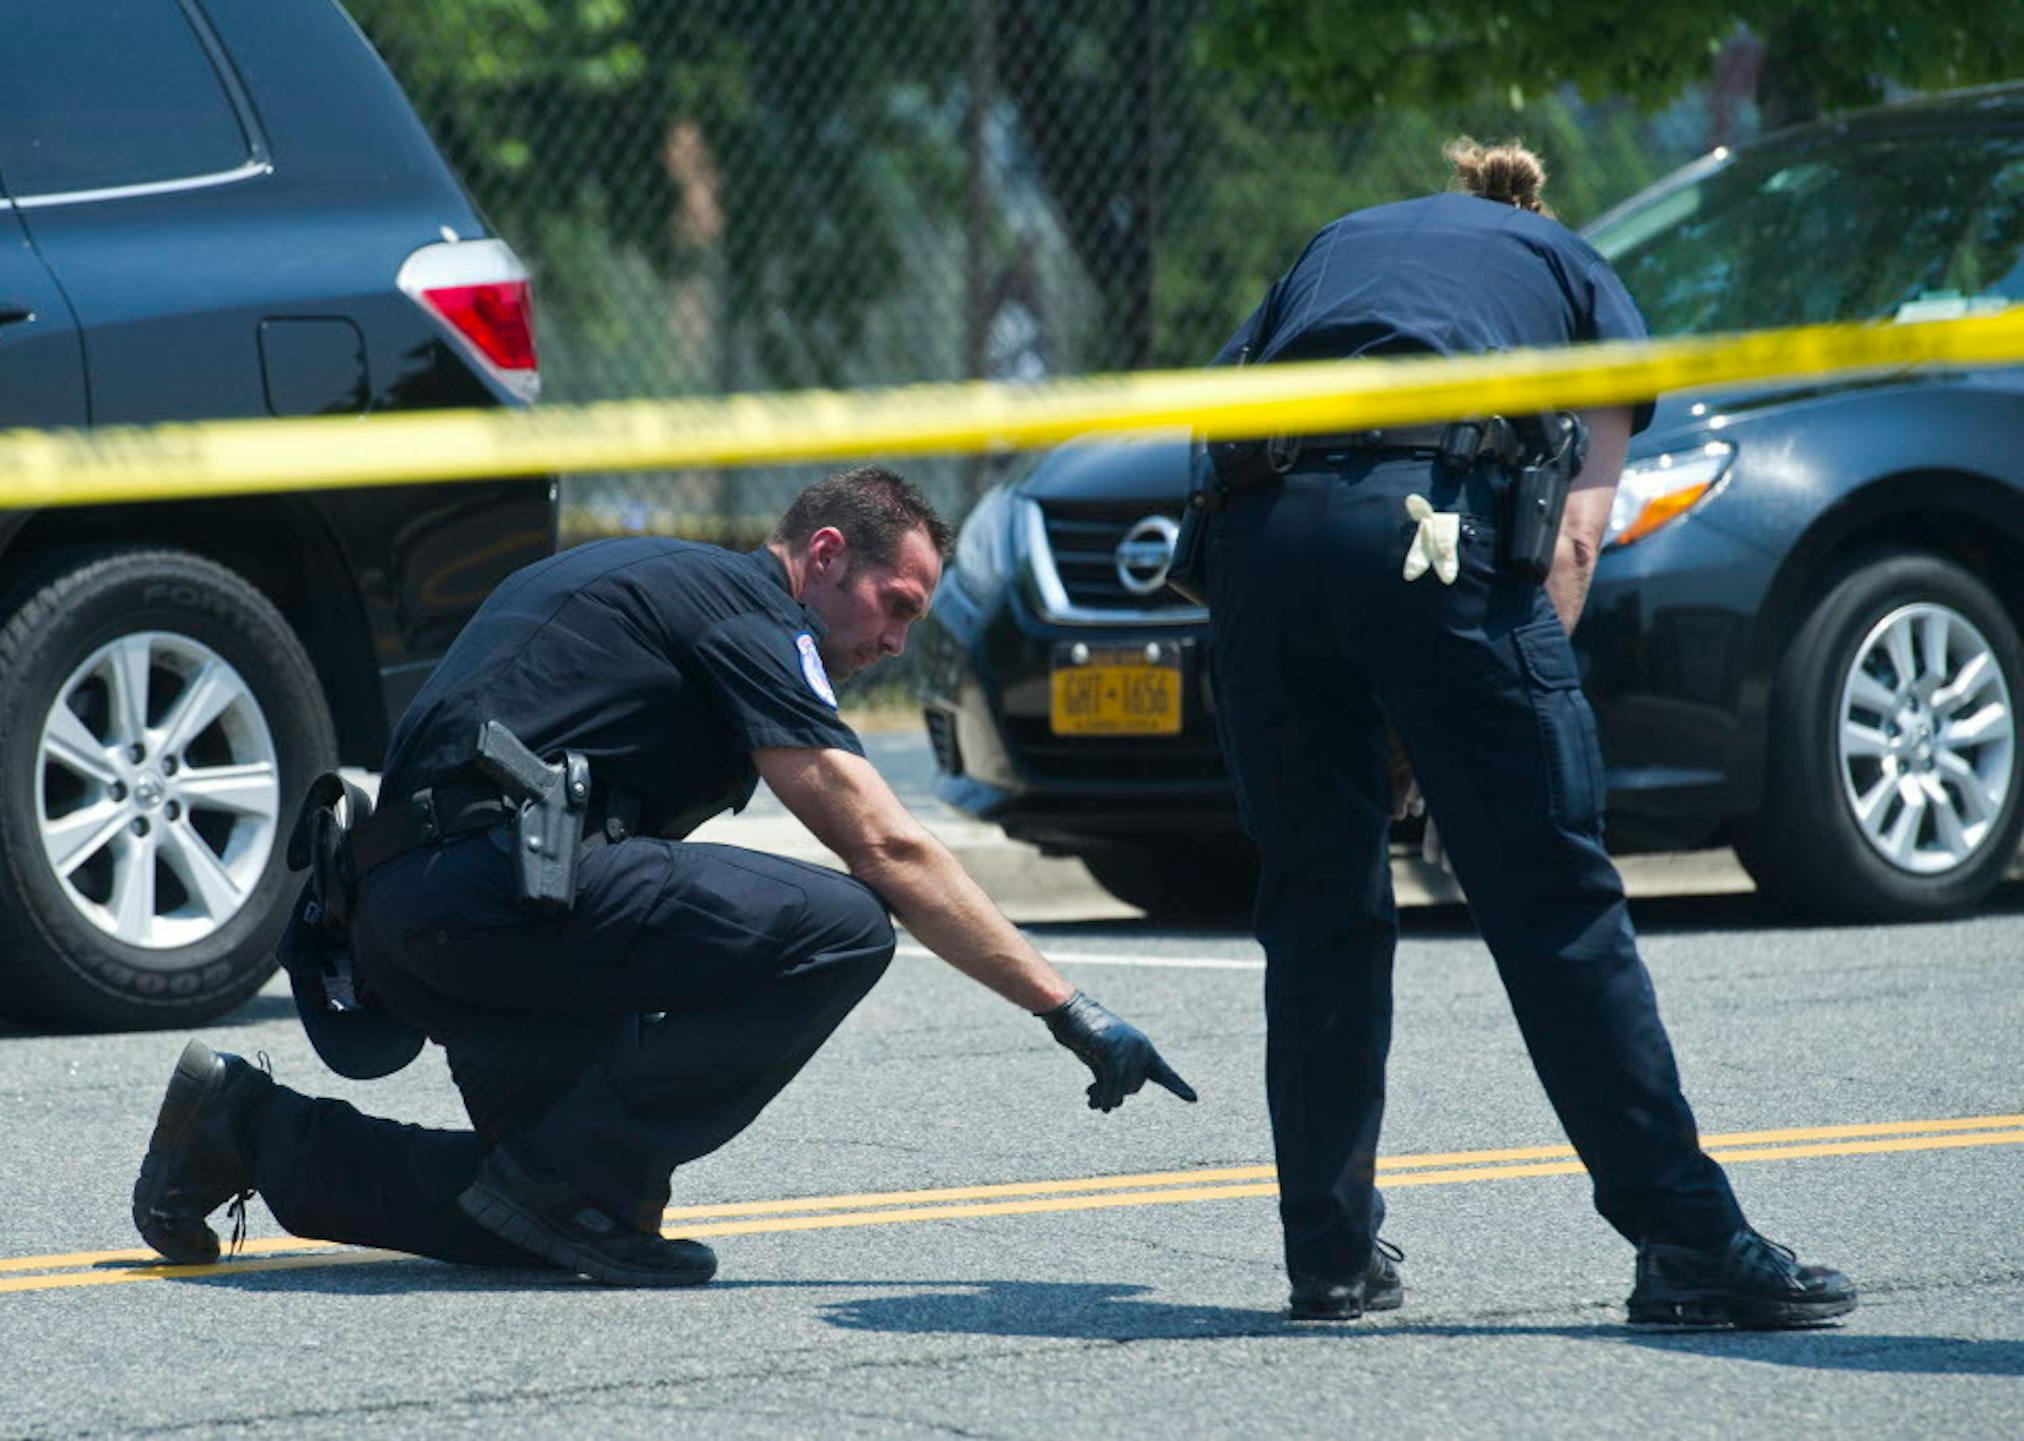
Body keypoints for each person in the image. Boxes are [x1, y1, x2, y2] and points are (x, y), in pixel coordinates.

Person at [132, 466, 1194, 1287]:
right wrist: (1067, 1006)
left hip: (427, 910)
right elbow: (886, 845)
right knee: (847, 926)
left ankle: (247, 1129)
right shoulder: (747, 613)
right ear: (824, 555)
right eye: (895, 603)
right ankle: (574, 1173)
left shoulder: (649, 583)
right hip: (490, 888)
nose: (895, 638)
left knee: (545, 1218)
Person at [1199, 139, 1854, 1326]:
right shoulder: (1570, 264)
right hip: (1424, 534)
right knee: (1557, 909)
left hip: (1254, 552)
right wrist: (1489, 712)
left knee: (1316, 915)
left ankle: (1331, 1258)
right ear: (1536, 211)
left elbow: (1222, 412)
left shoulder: (1339, 241)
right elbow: (1576, 540)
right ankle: (1688, 1241)